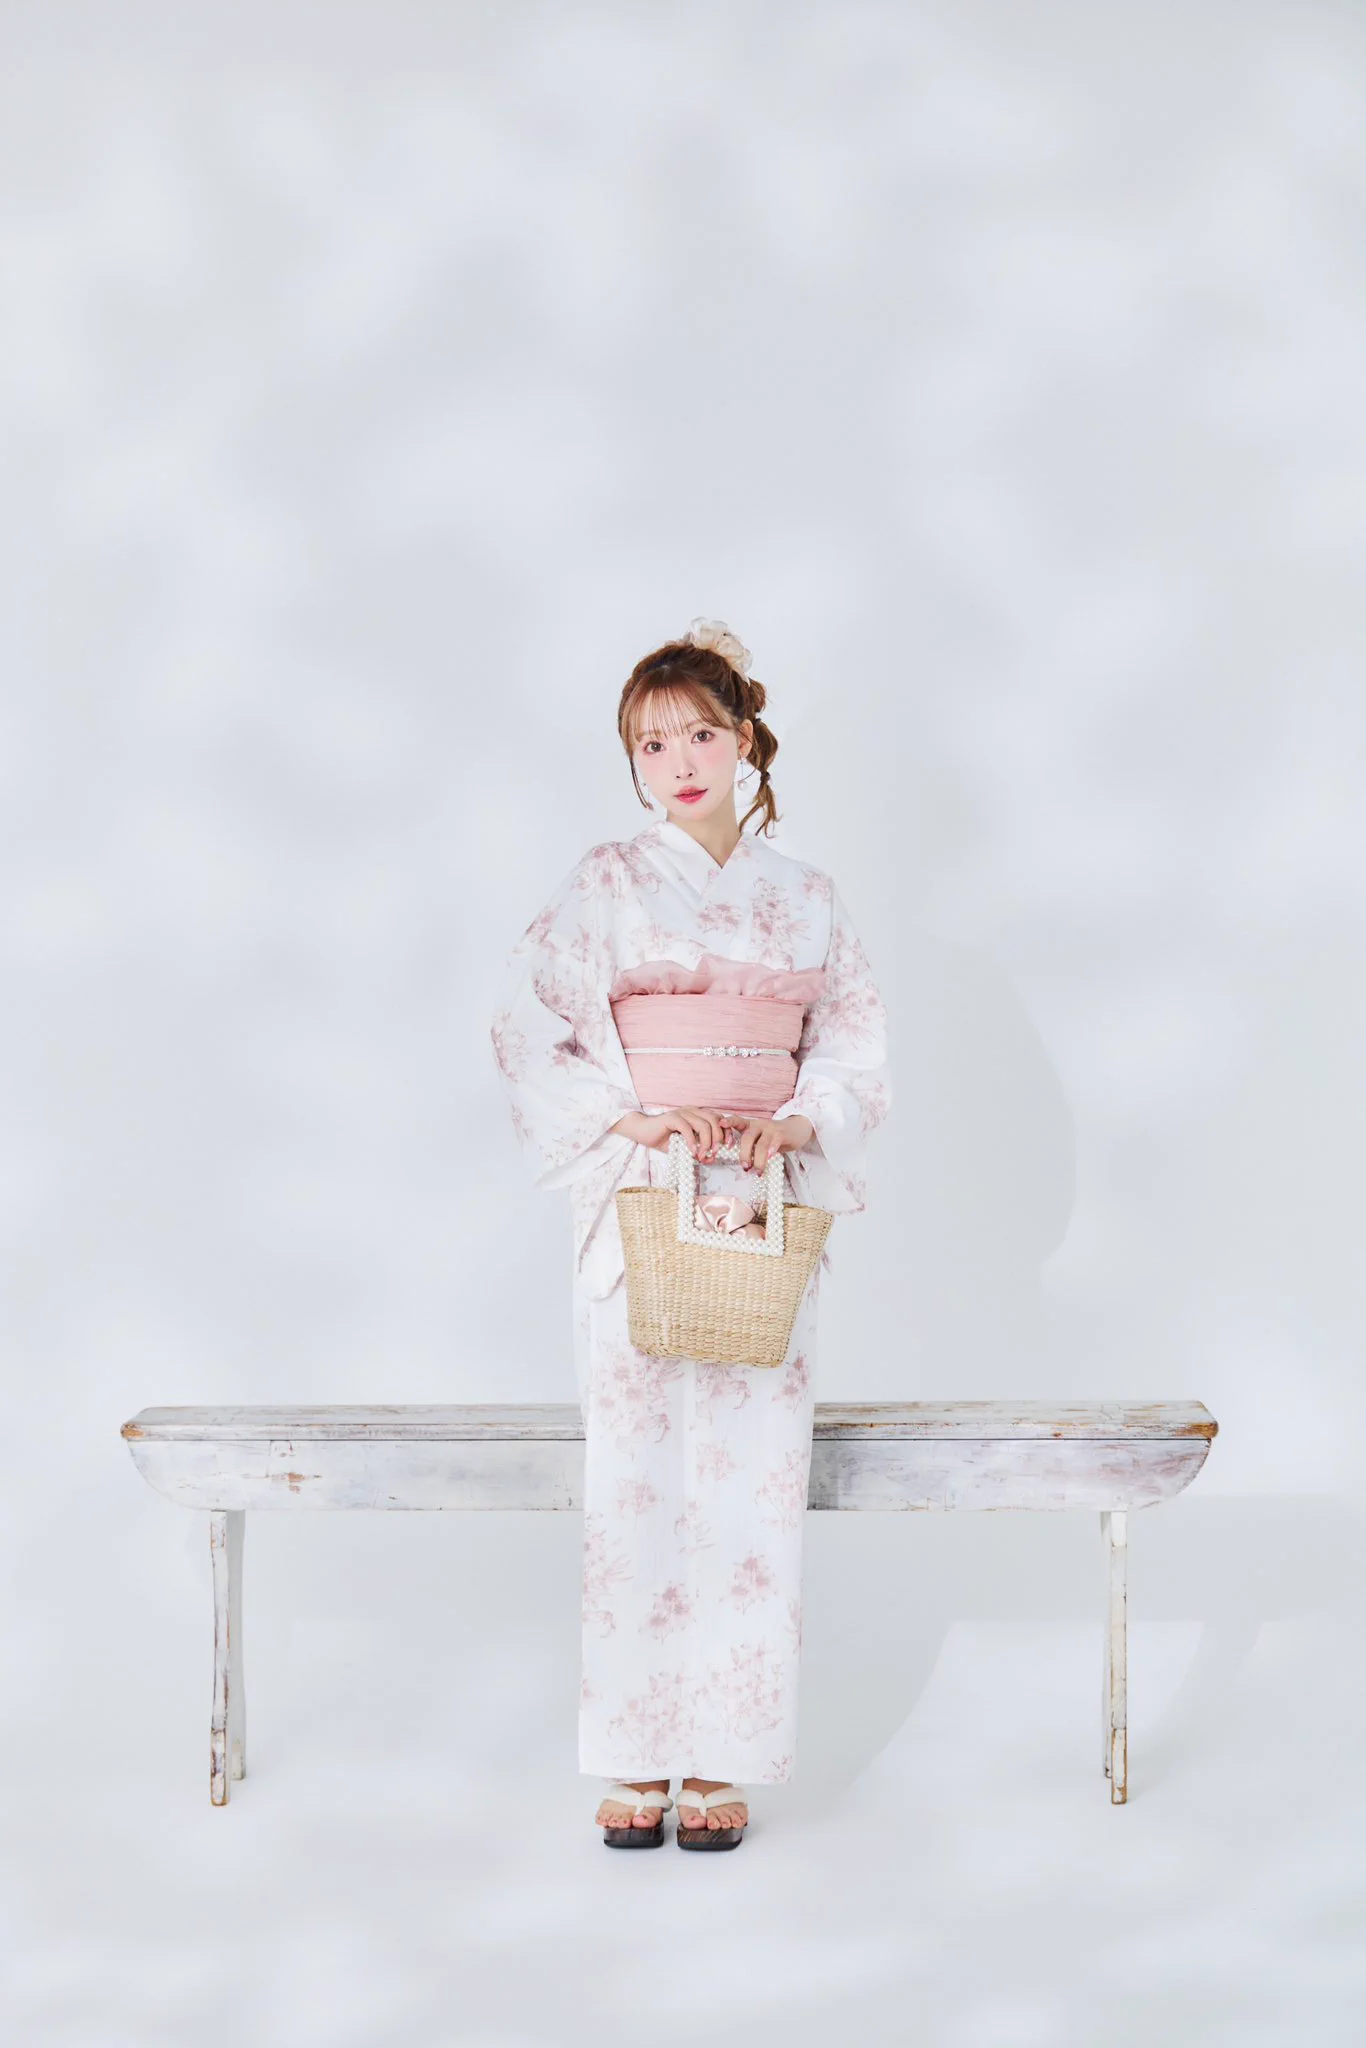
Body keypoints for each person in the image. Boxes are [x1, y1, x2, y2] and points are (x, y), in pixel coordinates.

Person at [489, 617, 892, 1849]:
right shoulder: (608, 882)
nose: (677, 761)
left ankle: (722, 1754)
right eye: (650, 743)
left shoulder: (805, 898)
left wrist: (802, 1118)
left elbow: (851, 1040)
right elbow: (528, 1019)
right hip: (645, 1183)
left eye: (700, 734)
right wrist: (630, 1112)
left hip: (761, 1186)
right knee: (635, 1467)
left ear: (746, 739)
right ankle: (633, 1748)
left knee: (752, 1468)